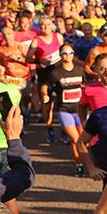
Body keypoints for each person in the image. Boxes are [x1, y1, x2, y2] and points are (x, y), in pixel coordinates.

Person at [42, 44, 86, 176]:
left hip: (80, 110)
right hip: (64, 110)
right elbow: (45, 86)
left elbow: (85, 86)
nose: (67, 55)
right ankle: (79, 165)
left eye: (70, 52)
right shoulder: (55, 73)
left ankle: (84, 162)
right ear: (60, 55)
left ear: (73, 54)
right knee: (75, 139)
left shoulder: (79, 70)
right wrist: (45, 94)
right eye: (64, 53)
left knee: (83, 140)